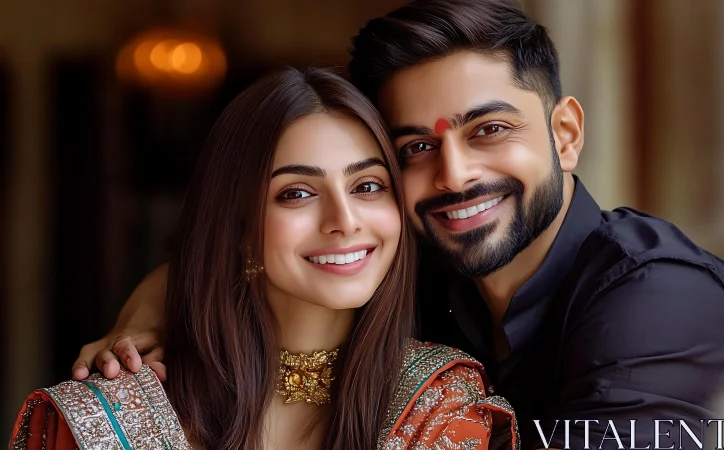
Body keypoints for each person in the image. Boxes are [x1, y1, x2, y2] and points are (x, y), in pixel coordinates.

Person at [68, 0, 724, 448]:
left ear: (565, 135)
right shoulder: (431, 273)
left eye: (489, 130)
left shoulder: (657, 302)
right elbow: (257, 258)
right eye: (416, 148)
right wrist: (149, 317)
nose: (454, 175)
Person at [9, 67, 518, 450]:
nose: (344, 220)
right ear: (239, 230)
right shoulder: (110, 416)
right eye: (296, 193)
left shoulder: (440, 405)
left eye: (367, 186)